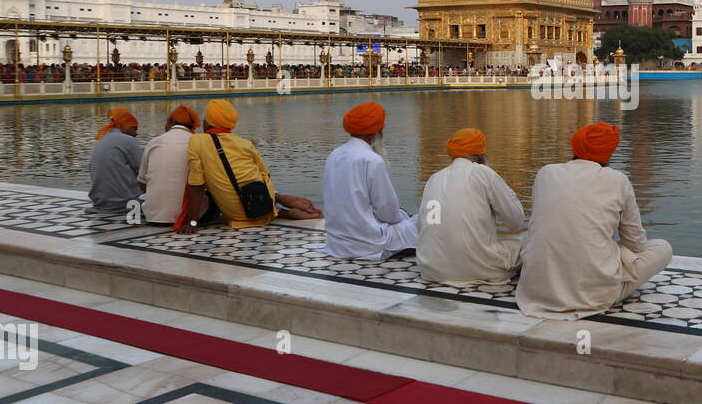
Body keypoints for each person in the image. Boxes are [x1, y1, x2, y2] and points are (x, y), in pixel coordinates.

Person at [516, 121, 673, 320]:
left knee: (532, 237)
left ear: (575, 146)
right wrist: (616, 249)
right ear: (610, 152)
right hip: (593, 296)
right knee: (662, 248)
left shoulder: (546, 173)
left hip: (536, 292)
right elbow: (635, 244)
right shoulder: (617, 180)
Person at [175, 99, 320, 232]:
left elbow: (196, 184)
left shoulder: (197, 141)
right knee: (252, 179)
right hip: (263, 206)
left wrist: (192, 223)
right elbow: (266, 175)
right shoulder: (245, 143)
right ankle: (280, 206)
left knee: (220, 191)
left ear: (208, 122)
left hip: (236, 216)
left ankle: (283, 209)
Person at [416, 128, 524, 286]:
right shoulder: (484, 173)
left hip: (430, 270)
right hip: (476, 269)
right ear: (481, 156)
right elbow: (516, 221)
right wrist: (506, 189)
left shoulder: (434, 178)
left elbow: (424, 226)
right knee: (528, 241)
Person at [322, 102, 417, 260]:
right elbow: (388, 212)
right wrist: (402, 215)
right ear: (377, 131)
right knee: (421, 223)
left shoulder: (335, 154)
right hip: (366, 243)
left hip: (336, 243)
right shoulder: (372, 159)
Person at [137, 105, 198, 224]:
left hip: (152, 215)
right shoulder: (196, 141)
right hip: (188, 216)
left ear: (171, 121)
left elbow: (142, 183)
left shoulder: (153, 142)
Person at [87, 108, 142, 214]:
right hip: (125, 202)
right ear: (122, 126)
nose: (136, 133)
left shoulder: (101, 139)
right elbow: (143, 171)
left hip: (99, 202)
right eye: (134, 128)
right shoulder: (128, 140)